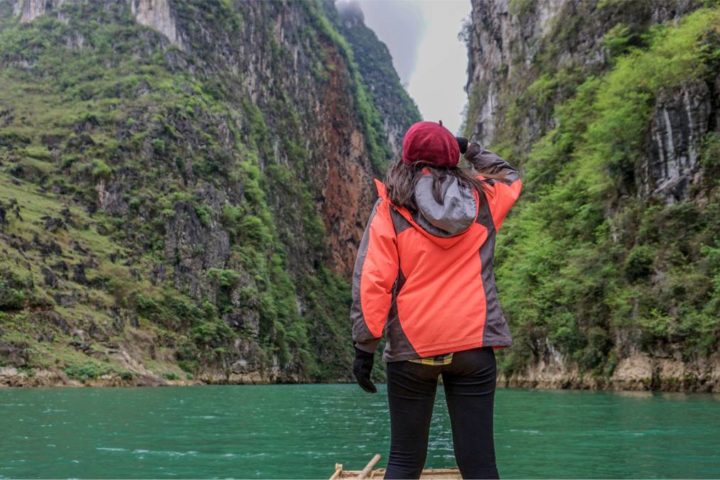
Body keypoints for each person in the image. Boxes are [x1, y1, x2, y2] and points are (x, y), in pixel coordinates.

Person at [350, 120, 522, 479]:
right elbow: (510, 177)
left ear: (408, 160)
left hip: (413, 347)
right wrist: (470, 147)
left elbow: (373, 281)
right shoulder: (484, 201)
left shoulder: (391, 208)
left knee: (403, 461)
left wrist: (364, 347)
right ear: (451, 156)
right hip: (473, 344)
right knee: (479, 464)